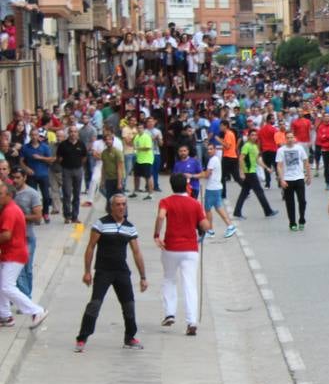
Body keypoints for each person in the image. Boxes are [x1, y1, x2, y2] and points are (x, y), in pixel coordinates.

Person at [75, 192, 148, 351]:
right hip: (103, 271)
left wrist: (143, 276)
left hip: (121, 271)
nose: (121, 207)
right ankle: (82, 338)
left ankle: (130, 337)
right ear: (111, 207)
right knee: (95, 304)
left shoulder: (129, 227)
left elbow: (136, 252)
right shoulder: (100, 224)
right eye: (118, 204)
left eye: (124, 204)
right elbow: (90, 247)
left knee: (129, 305)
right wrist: (87, 271)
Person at [153, 173, 209, 336]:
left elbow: (161, 216)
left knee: (169, 279)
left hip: (171, 247)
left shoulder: (166, 202)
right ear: (186, 186)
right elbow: (205, 225)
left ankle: (170, 313)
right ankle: (192, 321)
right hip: (190, 249)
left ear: (171, 185)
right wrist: (204, 221)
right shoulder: (195, 204)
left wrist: (157, 235)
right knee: (189, 284)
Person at [0, 182, 46, 329]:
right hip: (12, 253)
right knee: (2, 285)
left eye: (0, 194)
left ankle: (37, 310)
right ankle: (5, 315)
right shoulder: (9, 208)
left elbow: (6, 235)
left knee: (7, 286)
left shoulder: (9, 211)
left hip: (14, 254)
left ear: (9, 195)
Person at [233, 129, 276, 220]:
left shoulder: (255, 146)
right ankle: (268, 211)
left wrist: (266, 168)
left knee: (244, 192)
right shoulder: (246, 146)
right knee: (259, 191)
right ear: (248, 136)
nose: (254, 137)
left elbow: (258, 160)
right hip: (249, 172)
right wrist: (242, 172)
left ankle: (237, 212)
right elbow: (241, 159)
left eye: (255, 135)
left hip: (252, 171)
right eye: (252, 135)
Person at [11, 171, 41, 297]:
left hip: (27, 237)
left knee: (26, 269)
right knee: (16, 270)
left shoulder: (32, 194)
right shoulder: (9, 193)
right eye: (13, 178)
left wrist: (19, 217)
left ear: (25, 177)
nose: (15, 180)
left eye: (18, 178)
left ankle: (26, 297)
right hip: (11, 238)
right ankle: (20, 296)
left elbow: (38, 217)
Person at [276, 132, 311, 232]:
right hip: (288, 179)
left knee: (302, 201)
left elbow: (306, 162)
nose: (290, 139)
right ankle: (292, 222)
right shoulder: (281, 150)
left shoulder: (299, 148)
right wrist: (281, 179)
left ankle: (302, 219)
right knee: (290, 203)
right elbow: (279, 166)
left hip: (299, 178)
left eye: (291, 137)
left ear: (294, 138)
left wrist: (309, 176)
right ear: (285, 139)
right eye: (288, 138)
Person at [201, 145, 236, 238]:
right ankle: (229, 226)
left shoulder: (212, 160)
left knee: (208, 209)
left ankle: (210, 230)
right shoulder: (215, 159)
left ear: (215, 150)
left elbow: (207, 174)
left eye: (211, 149)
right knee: (218, 208)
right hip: (216, 187)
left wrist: (194, 175)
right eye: (207, 149)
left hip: (212, 188)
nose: (209, 151)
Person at [54, 127, 87, 222]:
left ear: (77, 133)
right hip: (66, 170)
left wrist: (79, 165)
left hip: (78, 170)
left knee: (77, 194)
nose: (73, 134)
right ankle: (67, 215)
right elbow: (59, 158)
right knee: (67, 193)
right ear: (68, 133)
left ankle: (75, 216)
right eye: (71, 132)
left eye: (75, 132)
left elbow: (84, 157)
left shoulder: (81, 144)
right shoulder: (63, 145)